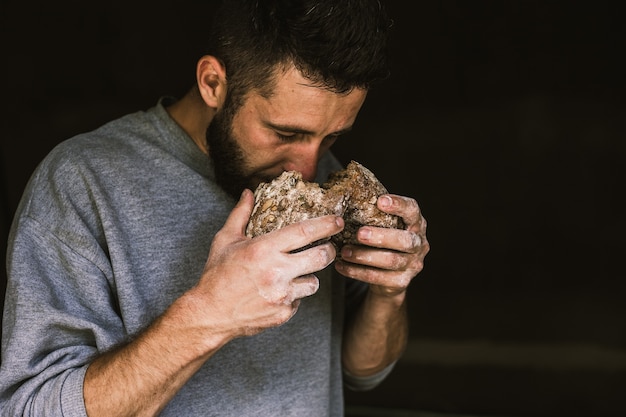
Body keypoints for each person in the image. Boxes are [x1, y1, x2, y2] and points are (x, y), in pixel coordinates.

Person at [0, 0, 429, 415]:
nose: (309, 166)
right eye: (284, 133)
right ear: (212, 83)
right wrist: (210, 316)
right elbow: (29, 407)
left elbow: (363, 373)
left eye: (331, 137)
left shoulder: (324, 178)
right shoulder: (83, 181)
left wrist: (388, 292)